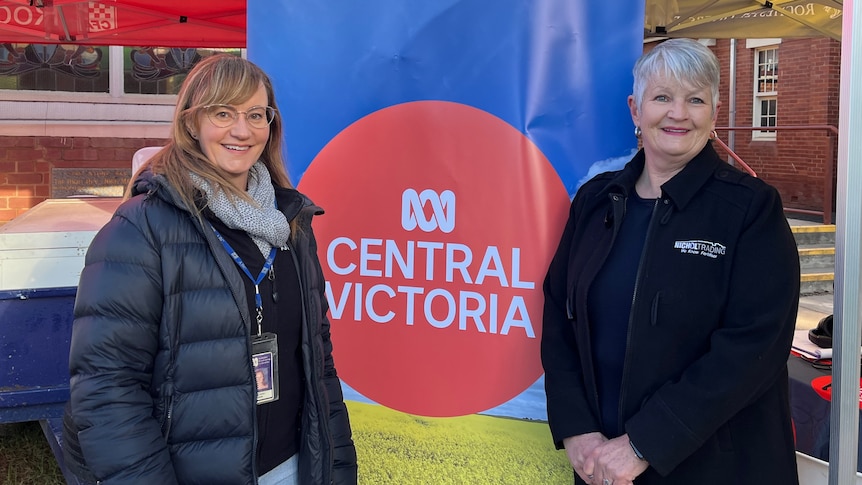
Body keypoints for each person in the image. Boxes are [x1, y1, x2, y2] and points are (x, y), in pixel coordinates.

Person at [62, 54, 358, 485]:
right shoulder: (142, 228)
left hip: (294, 468)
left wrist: (337, 468)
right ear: (190, 123)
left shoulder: (291, 224)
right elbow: (107, 389)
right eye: (223, 113)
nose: (242, 130)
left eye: (256, 115)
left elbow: (319, 362)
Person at [541, 38, 800, 485]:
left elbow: (753, 348)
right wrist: (576, 428)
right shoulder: (596, 200)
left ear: (714, 113)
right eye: (662, 97)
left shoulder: (750, 210)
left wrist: (645, 443)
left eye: (695, 99)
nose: (678, 113)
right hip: (601, 464)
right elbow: (559, 316)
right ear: (635, 109)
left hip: (717, 466)